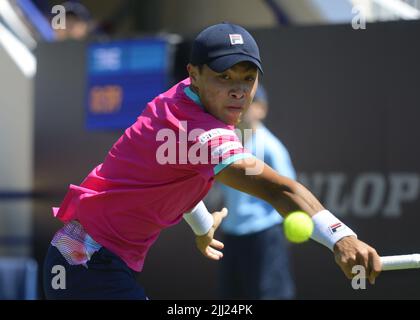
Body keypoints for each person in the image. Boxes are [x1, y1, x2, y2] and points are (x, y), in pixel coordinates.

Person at [43, 22, 382, 300]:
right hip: (86, 263)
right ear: (195, 74)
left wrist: (203, 229)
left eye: (248, 79)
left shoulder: (179, 100)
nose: (238, 91)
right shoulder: (201, 132)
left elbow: (175, 172)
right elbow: (279, 190)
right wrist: (342, 238)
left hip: (80, 256)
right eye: (224, 76)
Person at [219, 84, 296, 299]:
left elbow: (289, 191)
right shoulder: (227, 143)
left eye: (249, 103)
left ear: (262, 109)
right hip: (232, 235)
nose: (241, 108)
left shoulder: (271, 148)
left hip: (265, 235)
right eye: (237, 103)